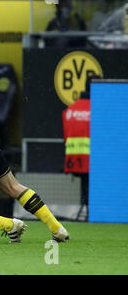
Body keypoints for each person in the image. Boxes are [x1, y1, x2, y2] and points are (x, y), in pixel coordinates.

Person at [62, 77, 92, 221]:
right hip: (94, 159)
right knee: (91, 185)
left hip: (75, 158)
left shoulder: (70, 111)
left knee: (85, 185)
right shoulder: (99, 109)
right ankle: (91, 209)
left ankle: (86, 208)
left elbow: (66, 137)